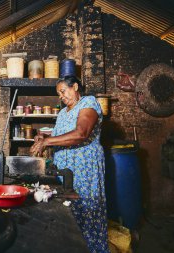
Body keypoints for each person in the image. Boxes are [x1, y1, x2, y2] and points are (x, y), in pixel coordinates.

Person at [30, 75, 109, 253]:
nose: (61, 96)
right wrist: (44, 137)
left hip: (84, 168)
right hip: (64, 171)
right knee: (67, 213)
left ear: (75, 86)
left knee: (87, 210)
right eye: (58, 93)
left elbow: (81, 133)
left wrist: (47, 142)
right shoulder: (62, 113)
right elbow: (60, 136)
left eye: (63, 91)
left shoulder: (88, 103)